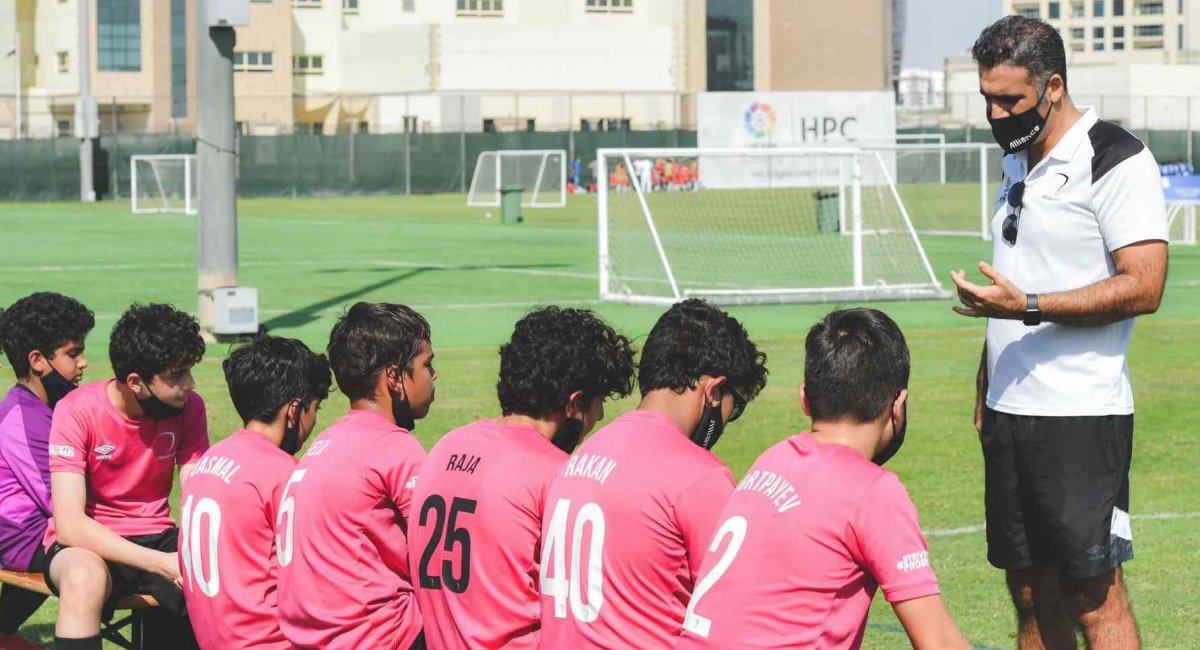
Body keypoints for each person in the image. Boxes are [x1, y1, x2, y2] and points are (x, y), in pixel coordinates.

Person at [952, 16, 1168, 650]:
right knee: (1028, 591)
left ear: (1052, 86)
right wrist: (986, 382)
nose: (996, 112)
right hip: (1009, 413)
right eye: (987, 97)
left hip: (1080, 414)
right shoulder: (1016, 160)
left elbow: (1145, 284)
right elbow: (1016, 282)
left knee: (1093, 597)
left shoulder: (1115, 157)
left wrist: (1031, 306)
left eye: (1009, 100)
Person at [676, 309, 971, 650]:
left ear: (805, 399)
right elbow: (939, 641)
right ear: (898, 406)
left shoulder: (774, 458)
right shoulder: (873, 491)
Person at [538, 298, 768, 648]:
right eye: (731, 410)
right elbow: (739, 619)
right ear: (714, 391)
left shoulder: (582, 455)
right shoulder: (698, 477)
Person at [410, 306, 635, 649]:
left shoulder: (446, 446)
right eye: (598, 403)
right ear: (574, 404)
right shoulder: (556, 475)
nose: (599, 416)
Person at [44, 304, 209, 650]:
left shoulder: (189, 407)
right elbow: (70, 525)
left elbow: (197, 491)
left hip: (158, 536)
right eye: (177, 375)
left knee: (216, 571)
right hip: (88, 543)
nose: (189, 384)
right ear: (135, 382)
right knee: (82, 578)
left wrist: (199, 554)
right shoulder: (76, 410)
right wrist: (163, 564)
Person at [276, 302, 436, 650]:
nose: (433, 376)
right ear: (394, 377)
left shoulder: (326, 442)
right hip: (379, 637)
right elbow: (437, 560)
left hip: (315, 637)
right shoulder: (393, 447)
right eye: (427, 365)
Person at [179, 336, 331, 650]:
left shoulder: (209, 461)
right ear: (294, 410)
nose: (314, 421)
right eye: (314, 409)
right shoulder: (284, 473)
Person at [0, 294, 94, 650]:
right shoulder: (22, 419)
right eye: (73, 353)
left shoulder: (47, 407)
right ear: (37, 361)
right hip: (24, 538)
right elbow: (60, 503)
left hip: (45, 528)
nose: (83, 363)